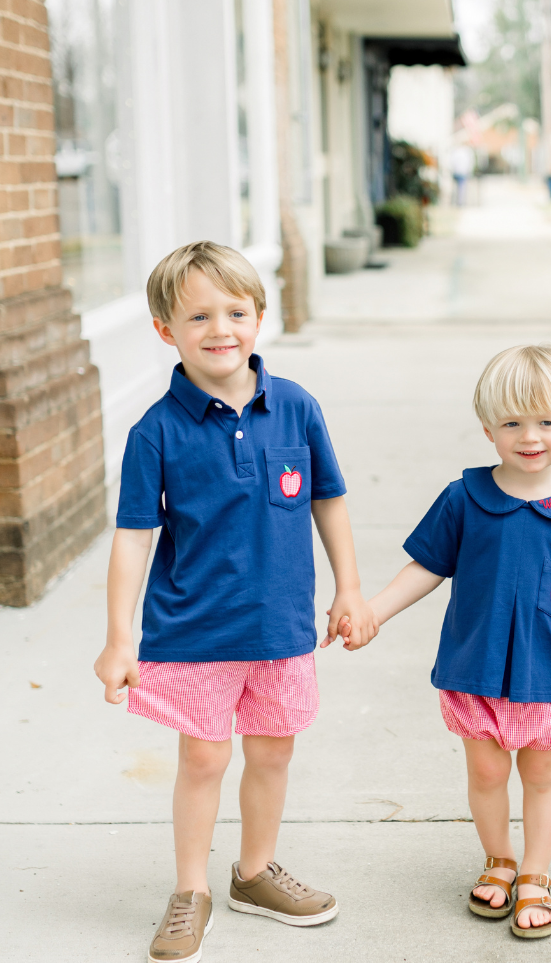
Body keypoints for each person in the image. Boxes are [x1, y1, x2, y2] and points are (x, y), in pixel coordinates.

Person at [93, 241, 377, 963]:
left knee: (274, 753)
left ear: (258, 318)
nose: (220, 329)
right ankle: (191, 890)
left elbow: (330, 501)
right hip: (194, 632)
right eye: (198, 316)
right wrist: (119, 637)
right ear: (166, 330)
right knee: (204, 760)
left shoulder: (297, 408)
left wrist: (348, 587)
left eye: (236, 312)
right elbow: (133, 539)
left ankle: (254, 872)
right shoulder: (155, 431)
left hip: (281, 628)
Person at [338, 344, 551, 938]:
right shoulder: (464, 498)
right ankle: (499, 859)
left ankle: (536, 873)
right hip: (476, 667)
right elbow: (425, 567)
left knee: (542, 775)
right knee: (489, 774)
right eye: (513, 423)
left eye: (547, 422)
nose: (531, 437)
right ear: (488, 429)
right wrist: (373, 612)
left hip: (546, 673)